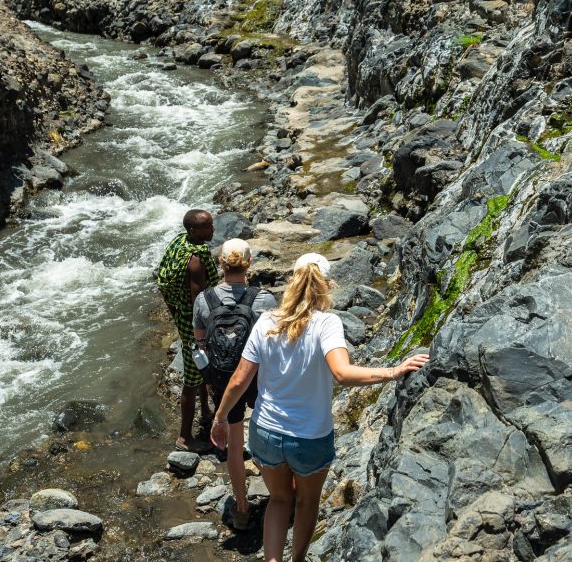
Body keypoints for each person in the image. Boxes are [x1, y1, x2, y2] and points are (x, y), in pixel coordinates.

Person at [210, 253, 428, 562]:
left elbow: (238, 381)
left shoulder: (267, 321)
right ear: (326, 286)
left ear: (292, 283)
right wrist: (393, 372)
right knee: (306, 502)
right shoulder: (327, 323)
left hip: (267, 432)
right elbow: (342, 373)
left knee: (279, 500)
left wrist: (220, 418)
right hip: (309, 437)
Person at [192, 238, 276, 530]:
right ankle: (281, 493)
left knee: (235, 446)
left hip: (224, 378)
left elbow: (200, 342)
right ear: (249, 263)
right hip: (257, 377)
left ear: (221, 264)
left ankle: (241, 508)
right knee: (267, 435)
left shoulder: (204, 300)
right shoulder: (264, 300)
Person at [154, 209, 219, 452]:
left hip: (182, 317)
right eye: (208, 226)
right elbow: (198, 300)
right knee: (192, 379)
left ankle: (205, 412)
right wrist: (201, 335)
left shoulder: (178, 243)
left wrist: (174, 314)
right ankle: (184, 438)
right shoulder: (196, 260)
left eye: (211, 224)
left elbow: (160, 280)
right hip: (195, 325)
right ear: (194, 230)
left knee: (200, 368)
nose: (213, 229)